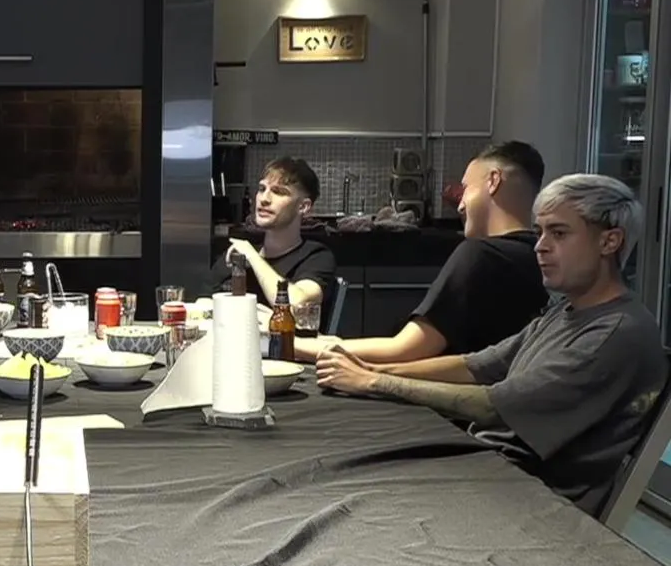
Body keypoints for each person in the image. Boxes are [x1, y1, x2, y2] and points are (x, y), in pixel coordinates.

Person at [316, 174, 667, 516]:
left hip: (529, 503)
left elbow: (495, 406)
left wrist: (375, 382)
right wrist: (375, 369)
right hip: (494, 471)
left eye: (559, 233)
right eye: (540, 232)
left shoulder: (616, 333)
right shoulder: (567, 310)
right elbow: (478, 365)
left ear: (610, 242)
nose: (540, 246)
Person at [298, 141, 549, 362]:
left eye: (465, 189)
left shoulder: (481, 255)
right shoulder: (542, 258)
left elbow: (405, 350)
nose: (460, 205)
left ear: (493, 181)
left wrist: (295, 346)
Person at [205, 157, 337, 314]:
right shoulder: (236, 254)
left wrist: (253, 257)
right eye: (262, 189)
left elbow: (297, 306)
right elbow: (201, 304)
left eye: (278, 192)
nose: (264, 199)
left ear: (303, 206)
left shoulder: (316, 257)